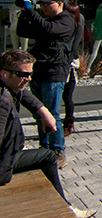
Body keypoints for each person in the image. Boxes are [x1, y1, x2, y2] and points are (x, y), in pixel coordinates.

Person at [0, 50, 96, 217]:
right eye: (24, 74)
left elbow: (24, 95)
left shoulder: (8, 86)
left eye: (30, 74)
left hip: (8, 155)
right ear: (4, 74)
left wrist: (44, 112)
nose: (28, 79)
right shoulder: (2, 101)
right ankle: (65, 210)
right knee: (47, 157)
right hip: (2, 164)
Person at [14, 0, 76, 169]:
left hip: (54, 72)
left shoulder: (66, 20)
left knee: (51, 114)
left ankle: (58, 151)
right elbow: (23, 31)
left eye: (48, 4)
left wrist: (31, 11)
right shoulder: (44, 20)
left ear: (59, 3)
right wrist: (25, 13)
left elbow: (48, 30)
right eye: (42, 5)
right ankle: (45, 148)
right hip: (39, 70)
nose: (44, 8)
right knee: (39, 113)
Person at [62, 2, 84, 137]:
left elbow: (73, 46)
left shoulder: (77, 26)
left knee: (67, 96)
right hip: (64, 60)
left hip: (69, 62)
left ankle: (68, 123)